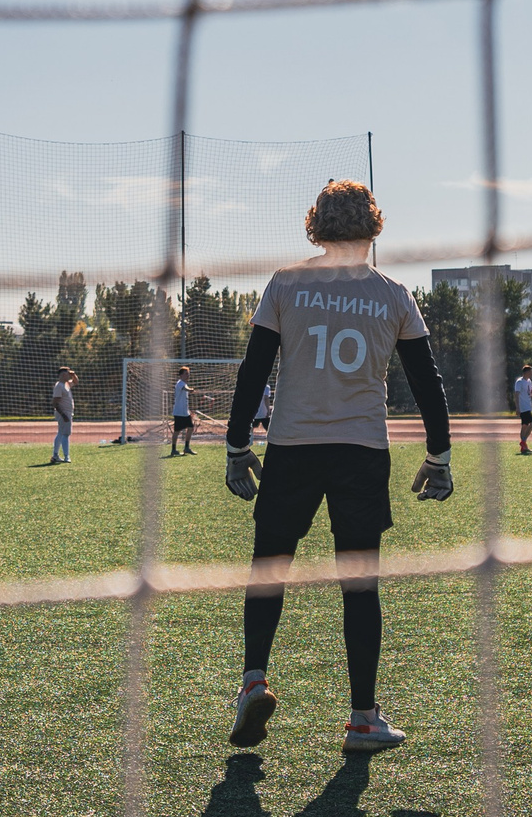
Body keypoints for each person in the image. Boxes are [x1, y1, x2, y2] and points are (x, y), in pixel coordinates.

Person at [221, 179, 452, 756]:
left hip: (293, 447)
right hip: (361, 451)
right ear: (375, 224)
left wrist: (235, 446)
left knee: (269, 566)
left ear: (315, 225)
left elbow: (253, 372)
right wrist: (438, 455)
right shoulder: (393, 293)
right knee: (359, 585)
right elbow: (427, 383)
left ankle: (253, 680)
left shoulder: (286, 283)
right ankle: (362, 719)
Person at [49, 366, 76, 464]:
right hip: (63, 412)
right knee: (66, 434)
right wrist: (63, 414)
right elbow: (55, 402)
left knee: (61, 433)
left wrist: (73, 375)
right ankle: (66, 456)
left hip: (67, 412)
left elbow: (76, 381)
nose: (69, 375)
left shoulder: (66, 384)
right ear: (63, 375)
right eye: (67, 374)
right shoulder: (59, 386)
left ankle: (55, 455)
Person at [169, 366, 197, 457]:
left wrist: (188, 410)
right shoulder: (180, 383)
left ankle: (186, 448)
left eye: (188, 374)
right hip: (179, 413)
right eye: (186, 374)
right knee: (177, 431)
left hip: (185, 413)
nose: (188, 375)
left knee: (191, 428)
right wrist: (191, 390)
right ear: (181, 375)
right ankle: (173, 450)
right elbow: (186, 389)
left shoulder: (184, 383)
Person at [513, 363, 532, 456]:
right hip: (523, 407)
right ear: (526, 372)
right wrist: (517, 407)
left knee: (525, 426)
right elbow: (516, 395)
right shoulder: (519, 382)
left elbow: (530, 394)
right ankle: (523, 441)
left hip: (528, 406)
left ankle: (524, 447)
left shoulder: (529, 381)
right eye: (531, 372)